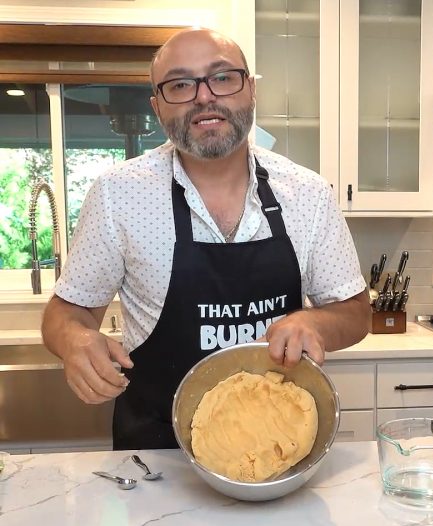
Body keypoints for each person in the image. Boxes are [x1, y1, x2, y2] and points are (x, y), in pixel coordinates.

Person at [41, 28, 370, 450]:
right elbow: (66, 313)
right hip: (157, 456)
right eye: (180, 84)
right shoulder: (117, 194)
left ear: (250, 89)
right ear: (157, 107)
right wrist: (75, 340)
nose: (203, 97)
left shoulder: (309, 194)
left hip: (275, 449)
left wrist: (316, 322)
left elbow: (356, 314)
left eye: (223, 77)